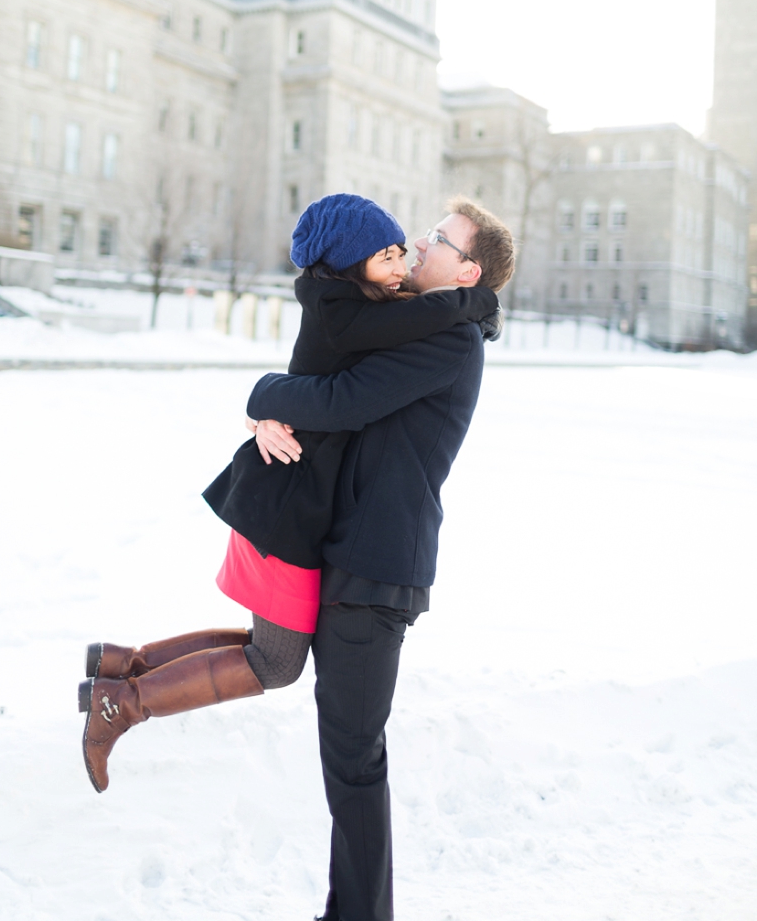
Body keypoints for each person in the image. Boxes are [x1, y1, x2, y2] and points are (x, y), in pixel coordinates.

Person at [78, 195, 503, 795]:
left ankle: (121, 668)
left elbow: (360, 360)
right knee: (274, 661)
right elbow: (340, 394)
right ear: (355, 261)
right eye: (392, 252)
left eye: (426, 242)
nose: (409, 254)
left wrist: (270, 401)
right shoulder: (351, 308)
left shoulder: (373, 304)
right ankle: (123, 703)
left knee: (270, 649)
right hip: (288, 497)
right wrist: (475, 304)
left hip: (297, 495)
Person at [248, 196, 515, 921]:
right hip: (352, 553)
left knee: (355, 759)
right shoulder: (420, 326)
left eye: (437, 240)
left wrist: (266, 394)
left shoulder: (451, 339)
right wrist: (273, 403)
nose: (419, 246)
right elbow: (332, 354)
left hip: (376, 567)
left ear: (468, 269)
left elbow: (344, 398)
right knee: (342, 747)